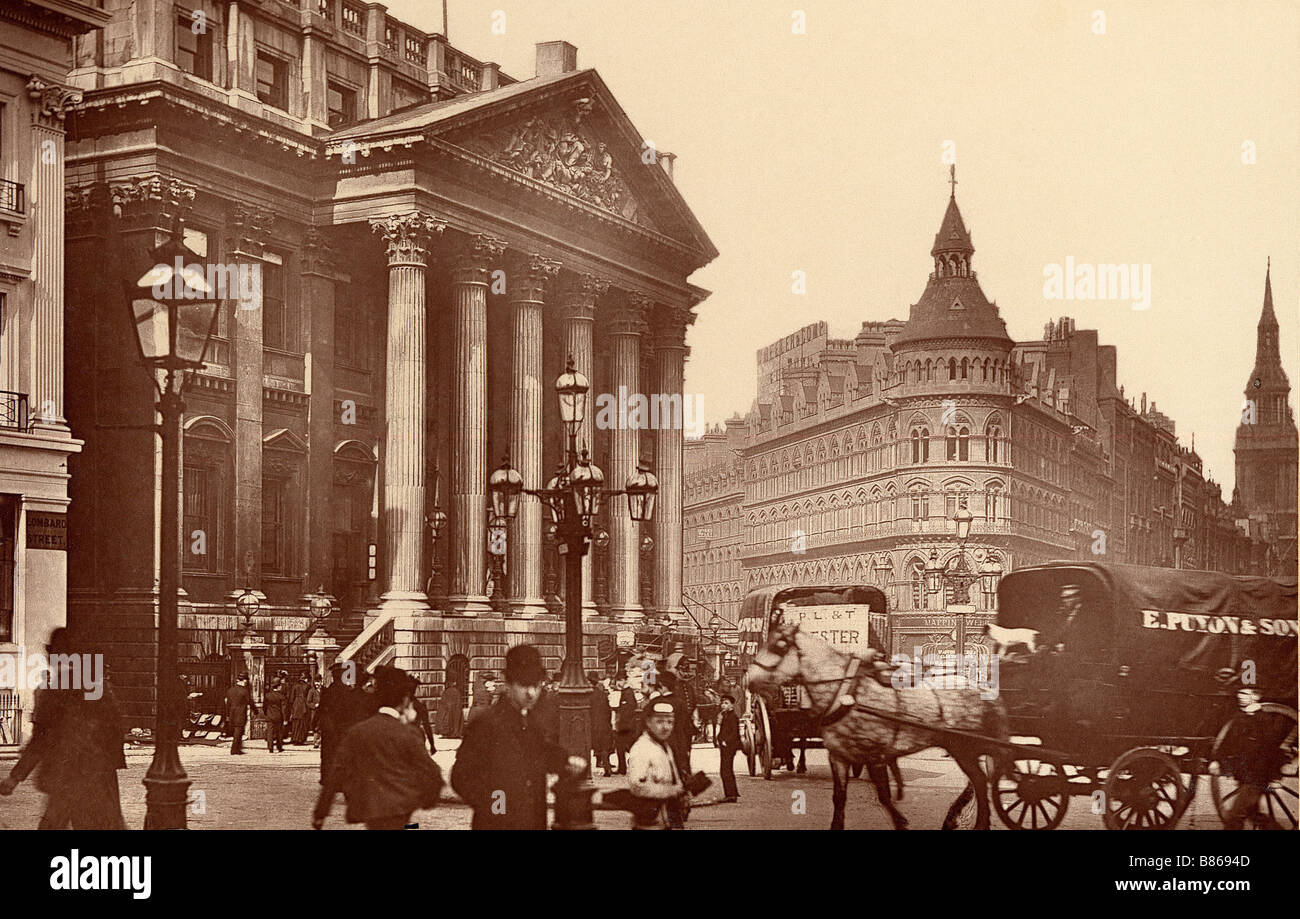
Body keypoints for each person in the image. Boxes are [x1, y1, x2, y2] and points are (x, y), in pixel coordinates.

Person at [0, 630, 127, 829]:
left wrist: (15, 777)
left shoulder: (57, 688)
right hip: (100, 778)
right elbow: (117, 726)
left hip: (67, 777)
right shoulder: (97, 685)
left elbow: (41, 739)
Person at [451, 646, 585, 830]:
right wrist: (498, 807)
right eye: (524, 685)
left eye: (536, 685)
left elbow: (540, 752)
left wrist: (564, 761)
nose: (531, 693)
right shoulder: (486, 723)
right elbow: (461, 777)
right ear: (508, 684)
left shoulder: (531, 721)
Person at [312, 666, 444, 830]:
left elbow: (336, 773)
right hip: (401, 809)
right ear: (404, 700)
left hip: (372, 809)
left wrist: (321, 812)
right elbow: (432, 774)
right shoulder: (409, 733)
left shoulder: (358, 732)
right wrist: (423, 801)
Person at [626, 700, 688, 829]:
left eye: (670, 722)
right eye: (659, 722)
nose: (666, 727)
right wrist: (670, 791)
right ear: (648, 722)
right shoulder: (642, 748)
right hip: (649, 820)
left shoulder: (664, 745)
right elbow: (637, 785)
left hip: (666, 817)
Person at [716, 694, 741, 803]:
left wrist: (726, 741)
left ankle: (731, 795)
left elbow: (734, 733)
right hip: (724, 746)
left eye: (726, 703)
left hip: (729, 746)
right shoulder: (725, 716)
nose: (723, 705)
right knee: (725, 770)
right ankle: (731, 793)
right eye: (722, 703)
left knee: (726, 770)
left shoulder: (733, 717)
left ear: (732, 705)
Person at [588, 672, 614, 777]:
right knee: (604, 746)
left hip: (593, 724)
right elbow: (608, 710)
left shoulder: (588, 695)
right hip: (604, 723)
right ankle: (606, 767)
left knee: (593, 746)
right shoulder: (603, 694)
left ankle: (593, 767)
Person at [613, 674, 639, 776]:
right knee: (621, 748)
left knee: (624, 747)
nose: (618, 683)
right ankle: (622, 768)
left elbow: (629, 710)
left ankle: (623, 768)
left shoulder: (628, 693)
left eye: (619, 681)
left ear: (624, 680)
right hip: (625, 725)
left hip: (626, 726)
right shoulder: (626, 692)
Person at [224, 673, 256, 755]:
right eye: (246, 680)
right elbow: (250, 702)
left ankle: (237, 748)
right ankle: (234, 749)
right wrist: (255, 711)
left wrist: (227, 715)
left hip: (232, 713)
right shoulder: (244, 691)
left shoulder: (230, 690)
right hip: (240, 713)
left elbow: (227, 704)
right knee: (239, 731)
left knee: (236, 731)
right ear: (244, 680)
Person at [409, 676, 437, 754]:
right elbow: (427, 726)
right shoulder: (420, 706)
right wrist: (432, 745)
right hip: (416, 738)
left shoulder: (396, 705)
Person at [264, 679, 288, 753]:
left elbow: (264, 706)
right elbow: (284, 709)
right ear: (278, 687)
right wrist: (285, 719)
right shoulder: (282, 696)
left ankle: (270, 747)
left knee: (270, 732)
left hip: (270, 716)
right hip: (278, 716)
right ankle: (279, 747)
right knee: (279, 733)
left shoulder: (267, 695)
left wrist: (266, 713)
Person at [289, 673, 311, 745]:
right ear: (305, 679)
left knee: (295, 723)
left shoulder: (295, 686)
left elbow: (291, 698)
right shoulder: (307, 686)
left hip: (296, 705)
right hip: (304, 705)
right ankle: (300, 739)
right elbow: (309, 698)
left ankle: (294, 738)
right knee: (303, 723)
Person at [307, 678, 322, 744]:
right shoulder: (311, 691)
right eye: (315, 682)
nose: (317, 684)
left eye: (318, 682)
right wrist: (314, 705)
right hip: (315, 711)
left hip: (323, 711)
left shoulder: (324, 690)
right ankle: (316, 741)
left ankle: (319, 741)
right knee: (315, 726)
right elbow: (308, 702)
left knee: (321, 725)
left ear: (321, 681)